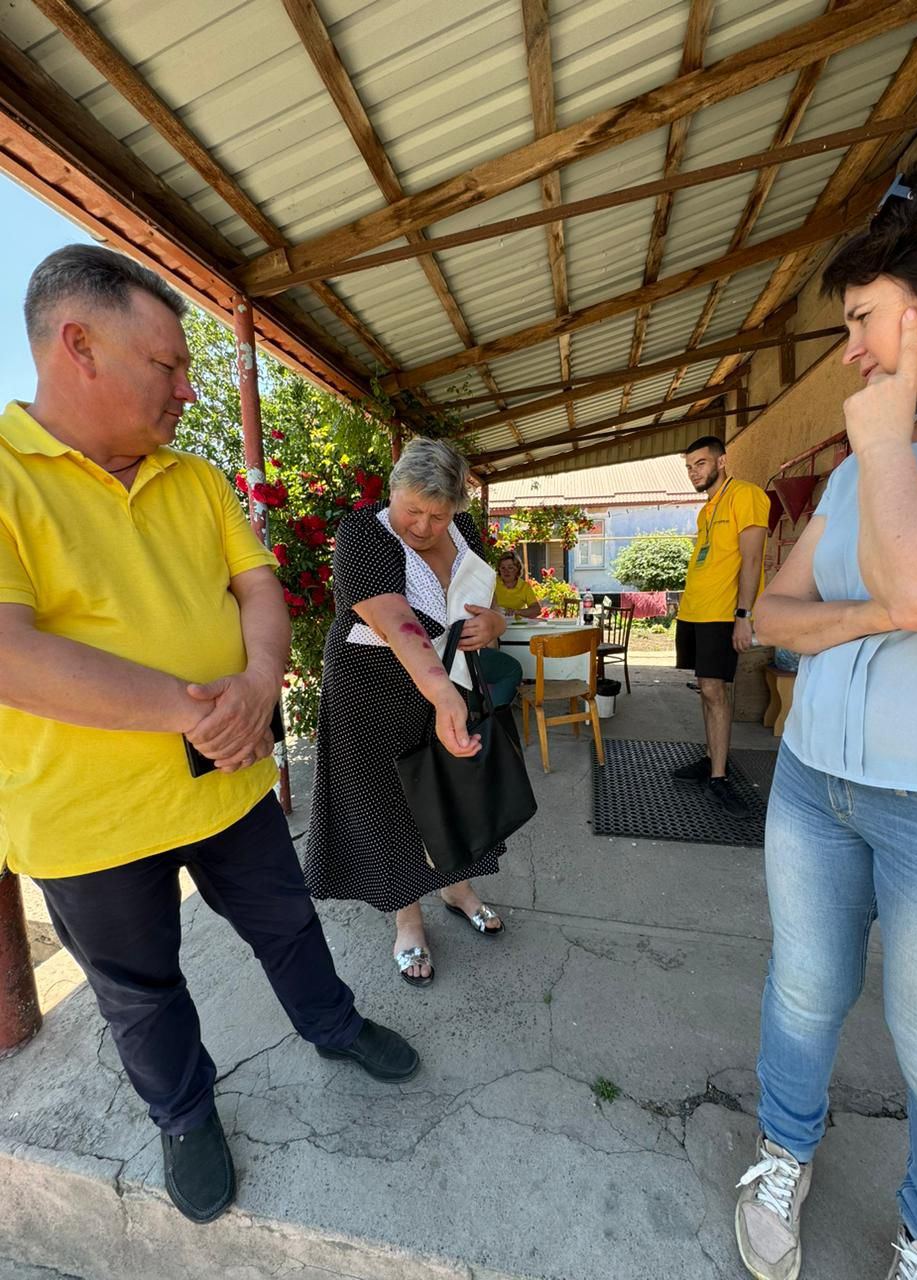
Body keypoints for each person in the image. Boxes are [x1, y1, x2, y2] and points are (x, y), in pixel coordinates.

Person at [0, 245, 418, 1226]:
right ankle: (184, 1113)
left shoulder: (195, 479)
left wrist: (263, 680)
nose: (189, 388)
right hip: (84, 816)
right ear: (79, 347)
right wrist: (196, 705)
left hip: (226, 778)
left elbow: (257, 586)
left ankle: (334, 1022)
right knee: (140, 990)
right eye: (168, 365)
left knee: (286, 920)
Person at [736, 148, 917, 1280]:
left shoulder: (874, 448)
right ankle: (784, 1147)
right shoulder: (859, 469)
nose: (855, 352)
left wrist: (878, 441)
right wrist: (878, 605)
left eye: (869, 318)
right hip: (813, 777)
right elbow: (772, 615)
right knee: (805, 983)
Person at [304, 438, 509, 986]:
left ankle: (457, 887)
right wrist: (442, 693)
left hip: (447, 682)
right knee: (394, 801)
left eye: (438, 515)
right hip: (372, 690)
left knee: (455, 794)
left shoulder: (466, 534)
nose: (422, 525)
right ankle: (407, 918)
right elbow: (394, 619)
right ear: (393, 492)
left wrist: (495, 625)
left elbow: (489, 602)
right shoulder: (363, 533)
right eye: (413, 510)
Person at [673, 436, 770, 815]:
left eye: (700, 463)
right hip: (695, 611)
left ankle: (719, 777)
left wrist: (743, 616)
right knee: (705, 688)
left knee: (716, 691)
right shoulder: (707, 509)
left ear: (722, 461)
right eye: (689, 466)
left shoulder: (746, 496)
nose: (694, 472)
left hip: (721, 613)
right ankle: (712, 757)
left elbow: (752, 560)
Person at [494, 550, 542, 618]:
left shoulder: (524, 587)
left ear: (517, 569)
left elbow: (537, 610)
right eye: (503, 568)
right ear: (499, 569)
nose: (506, 571)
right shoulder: (493, 583)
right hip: (493, 622)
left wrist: (515, 611)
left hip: (516, 624)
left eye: (510, 568)